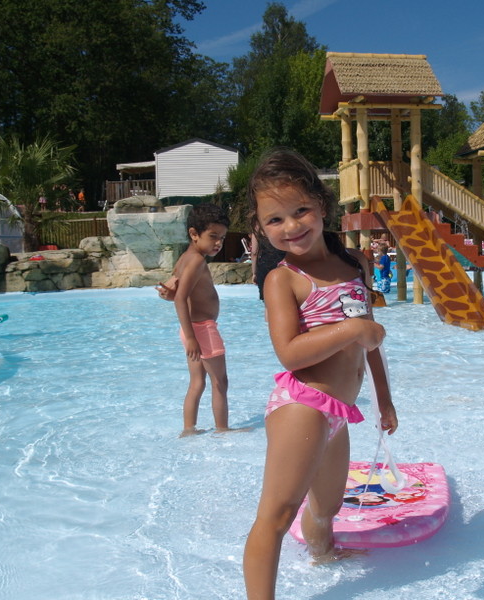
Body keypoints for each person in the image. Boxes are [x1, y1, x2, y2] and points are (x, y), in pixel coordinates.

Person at [242, 148, 398, 599]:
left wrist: (384, 400)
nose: (291, 227)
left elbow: (371, 344)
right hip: (303, 406)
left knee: (327, 505)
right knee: (277, 513)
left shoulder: (353, 264)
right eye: (275, 220)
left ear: (322, 207)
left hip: (339, 410)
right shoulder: (284, 280)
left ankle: (323, 554)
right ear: (260, 227)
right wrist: (350, 327)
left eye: (301, 211)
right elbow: (289, 354)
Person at [157, 204, 232, 437]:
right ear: (194, 234)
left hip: (193, 329)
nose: (218, 243)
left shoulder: (185, 258)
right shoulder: (197, 261)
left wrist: (188, 332)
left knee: (197, 382)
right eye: (213, 236)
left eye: (221, 237)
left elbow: (174, 293)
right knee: (220, 381)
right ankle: (222, 429)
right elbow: (180, 297)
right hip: (202, 331)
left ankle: (189, 429)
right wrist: (191, 338)